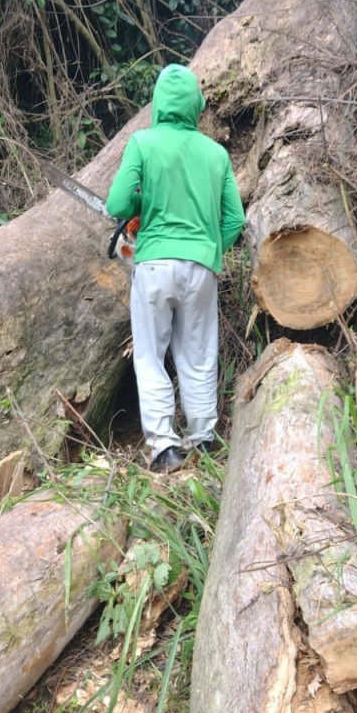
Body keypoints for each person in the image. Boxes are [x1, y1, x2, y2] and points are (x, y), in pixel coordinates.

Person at [106, 63, 245, 473]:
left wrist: (140, 205)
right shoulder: (216, 153)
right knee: (199, 356)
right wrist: (210, 251)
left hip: (152, 266)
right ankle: (202, 440)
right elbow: (235, 220)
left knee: (150, 355)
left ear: (158, 103)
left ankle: (165, 448)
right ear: (196, 106)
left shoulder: (143, 143)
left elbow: (116, 205)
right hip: (200, 268)